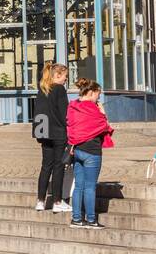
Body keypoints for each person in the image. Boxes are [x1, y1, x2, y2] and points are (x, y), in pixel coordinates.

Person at [66, 79, 113, 229]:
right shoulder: (93, 109)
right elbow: (105, 126)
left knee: (79, 186)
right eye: (98, 95)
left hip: (77, 150)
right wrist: (103, 112)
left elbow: (71, 127)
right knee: (90, 187)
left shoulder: (73, 106)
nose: (98, 99)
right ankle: (91, 220)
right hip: (91, 152)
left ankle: (76, 219)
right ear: (91, 92)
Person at [33, 63, 71, 213]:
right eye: (65, 76)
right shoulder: (59, 89)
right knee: (58, 167)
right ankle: (57, 201)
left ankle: (40, 201)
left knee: (45, 167)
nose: (66, 79)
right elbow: (64, 113)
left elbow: (38, 112)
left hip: (44, 133)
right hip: (58, 133)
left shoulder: (42, 89)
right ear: (57, 75)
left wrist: (39, 133)